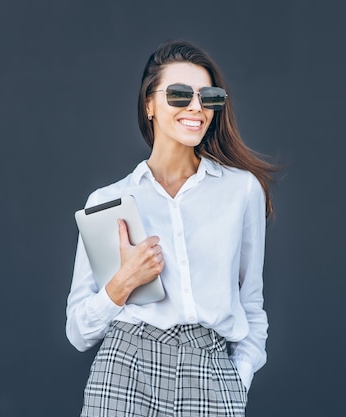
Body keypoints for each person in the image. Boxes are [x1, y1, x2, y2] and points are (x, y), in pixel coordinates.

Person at [65, 39, 277, 416]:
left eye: (208, 96)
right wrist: (123, 282)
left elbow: (252, 305)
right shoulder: (108, 201)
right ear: (149, 104)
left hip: (209, 370)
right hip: (125, 368)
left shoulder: (241, 190)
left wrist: (236, 380)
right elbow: (79, 332)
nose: (196, 107)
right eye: (179, 94)